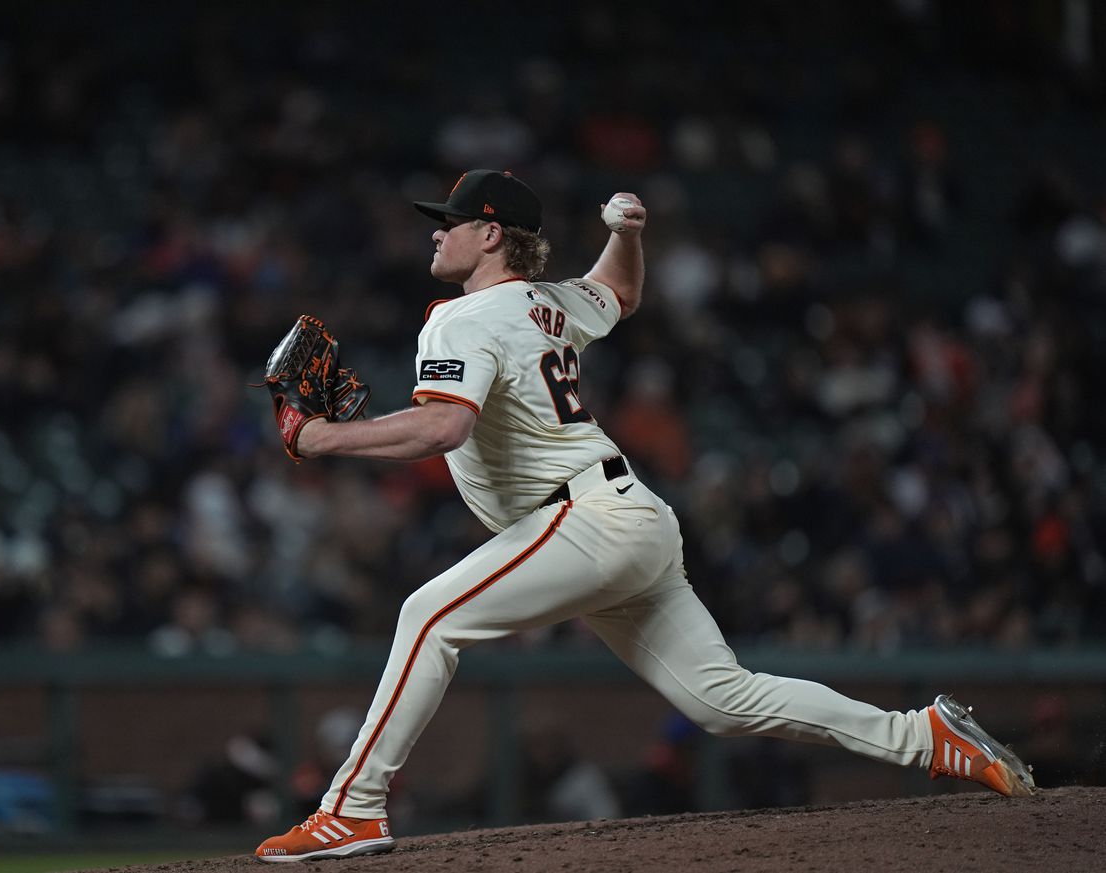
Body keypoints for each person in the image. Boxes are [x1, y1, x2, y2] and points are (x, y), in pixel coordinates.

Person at [253, 170, 1035, 862]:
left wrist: (320, 437)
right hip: (627, 518)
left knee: (427, 615)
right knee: (724, 699)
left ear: (490, 234)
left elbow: (441, 428)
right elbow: (618, 292)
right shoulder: (548, 305)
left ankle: (350, 810)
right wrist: (626, 234)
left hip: (585, 519)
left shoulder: (462, 320)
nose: (436, 229)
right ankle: (922, 734)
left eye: (451, 219)